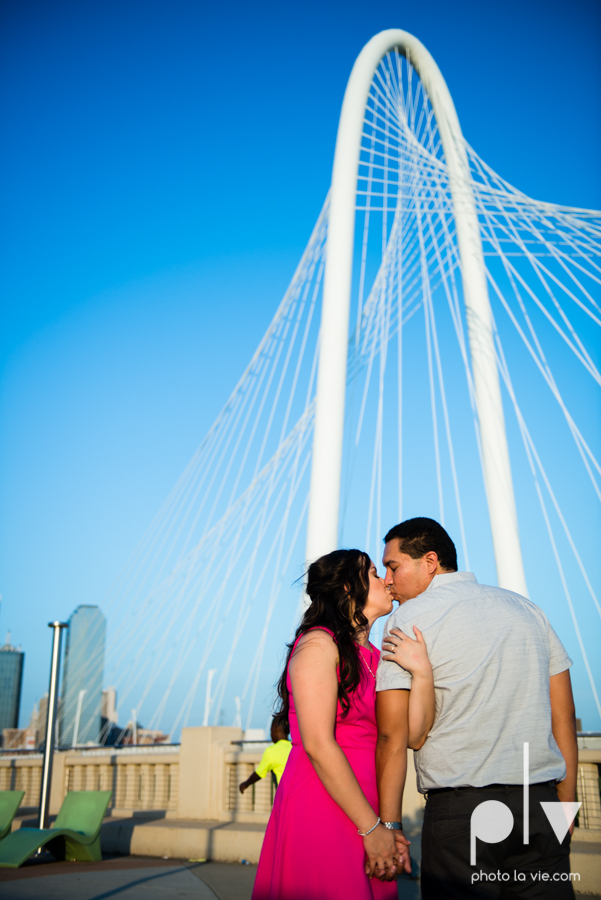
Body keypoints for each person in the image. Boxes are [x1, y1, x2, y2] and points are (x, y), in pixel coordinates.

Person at [376, 517, 578, 899]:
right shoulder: (529, 610)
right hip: (540, 806)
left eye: (393, 566)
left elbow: (393, 733)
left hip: (461, 811)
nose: (388, 579)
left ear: (430, 561)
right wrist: (565, 807)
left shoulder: (408, 620)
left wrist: (389, 824)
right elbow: (563, 717)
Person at [251, 548, 434, 900]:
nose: (387, 581)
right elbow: (318, 744)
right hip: (324, 801)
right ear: (349, 588)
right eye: (374, 574)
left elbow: (413, 735)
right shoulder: (318, 645)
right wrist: (371, 829)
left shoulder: (378, 657)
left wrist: (422, 672)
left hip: (370, 806)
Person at [239, 717, 292, 794]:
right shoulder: (295, 747)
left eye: (270, 730)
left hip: (284, 796)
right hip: (299, 796)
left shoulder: (271, 751)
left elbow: (259, 773)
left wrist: (245, 784)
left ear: (275, 728)